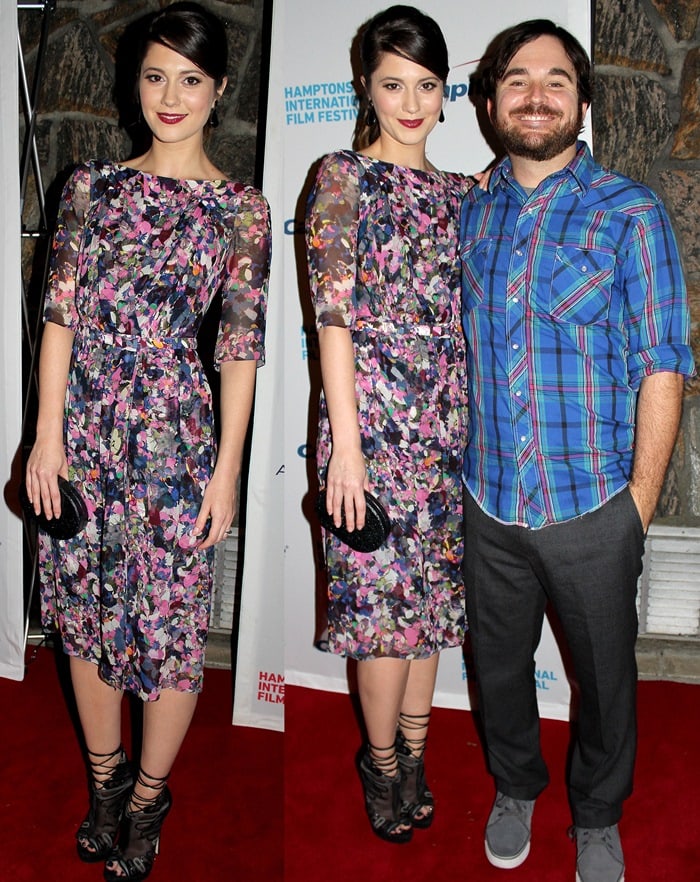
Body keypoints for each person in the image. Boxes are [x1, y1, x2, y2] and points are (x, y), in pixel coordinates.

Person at [24, 3, 270, 880]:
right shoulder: (89, 186)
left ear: (219, 92)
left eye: (191, 79)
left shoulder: (243, 210)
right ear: (136, 83)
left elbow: (239, 349)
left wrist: (228, 472)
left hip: (176, 440)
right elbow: (58, 315)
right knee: (85, 619)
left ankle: (148, 795)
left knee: (167, 629)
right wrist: (45, 436)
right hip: (84, 432)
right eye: (156, 74)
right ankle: (103, 780)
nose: (171, 95)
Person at [459, 18, 695, 882]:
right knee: (498, 670)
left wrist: (636, 505)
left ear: (582, 101)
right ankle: (516, 783)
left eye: (556, 79)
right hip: (486, 503)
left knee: (606, 681)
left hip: (594, 507)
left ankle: (597, 812)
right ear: (489, 102)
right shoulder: (472, 210)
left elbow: (664, 364)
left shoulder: (629, 214)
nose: (535, 94)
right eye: (516, 79)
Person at [306, 4, 470, 844]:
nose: (411, 102)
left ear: (448, 93)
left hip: (447, 439)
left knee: (432, 607)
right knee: (379, 615)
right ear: (366, 89)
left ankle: (415, 748)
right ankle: (379, 762)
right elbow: (331, 319)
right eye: (393, 83)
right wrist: (347, 450)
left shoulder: (461, 194)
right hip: (366, 437)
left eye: (427, 85)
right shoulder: (342, 177)